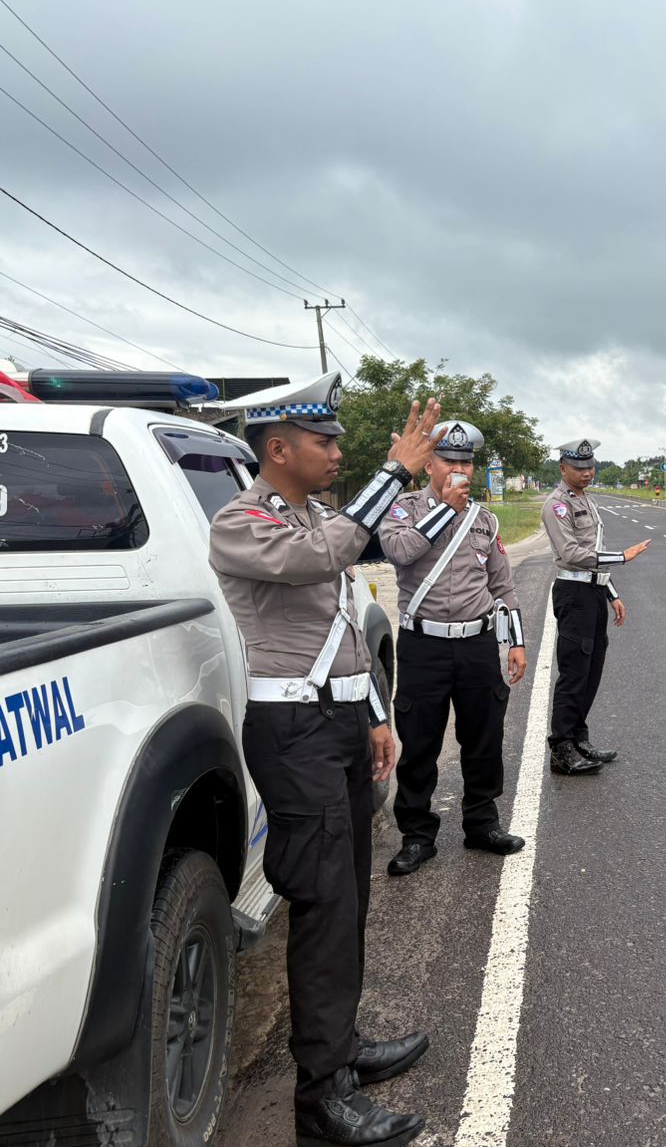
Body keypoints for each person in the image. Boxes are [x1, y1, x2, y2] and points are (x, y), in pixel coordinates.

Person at [209, 372, 442, 1146]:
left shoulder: (311, 513)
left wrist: (375, 714)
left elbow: (343, 623)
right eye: (324, 440)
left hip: (338, 722)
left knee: (348, 899)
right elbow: (323, 560)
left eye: (340, 441)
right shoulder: (241, 521)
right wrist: (396, 471)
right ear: (278, 448)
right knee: (321, 904)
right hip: (294, 733)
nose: (337, 450)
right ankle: (321, 1102)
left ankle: (339, 1052)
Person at [379, 419, 527, 878]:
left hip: (478, 642)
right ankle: (417, 834)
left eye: (466, 462)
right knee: (420, 741)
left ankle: (482, 823)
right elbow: (399, 551)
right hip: (424, 643)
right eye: (449, 461)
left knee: (484, 738)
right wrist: (443, 508)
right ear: (430, 464)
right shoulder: (403, 508)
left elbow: (502, 583)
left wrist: (516, 642)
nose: (459, 469)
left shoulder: (485, 519)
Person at [541, 439, 649, 774]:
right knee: (574, 672)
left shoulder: (587, 499)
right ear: (563, 468)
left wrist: (611, 592)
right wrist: (623, 557)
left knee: (591, 671)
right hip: (573, 594)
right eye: (579, 468)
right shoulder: (557, 504)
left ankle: (578, 737)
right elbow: (573, 554)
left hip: (593, 591)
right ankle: (561, 749)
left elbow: (593, 554)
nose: (587, 473)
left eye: (590, 467)